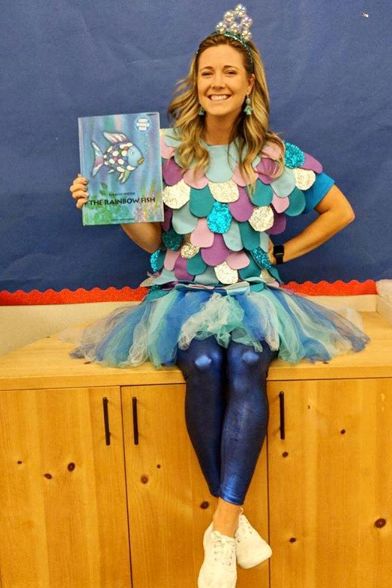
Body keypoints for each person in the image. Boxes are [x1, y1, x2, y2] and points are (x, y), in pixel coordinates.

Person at [69, 5, 369, 587]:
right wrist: (107, 206)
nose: (218, 83)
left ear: (249, 82)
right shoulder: (161, 151)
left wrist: (281, 255)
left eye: (230, 72)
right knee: (204, 361)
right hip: (181, 294)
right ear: (195, 81)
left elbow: (340, 211)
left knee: (249, 359)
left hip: (253, 293)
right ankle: (232, 518)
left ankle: (222, 531)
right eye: (208, 72)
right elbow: (152, 240)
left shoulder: (273, 156)